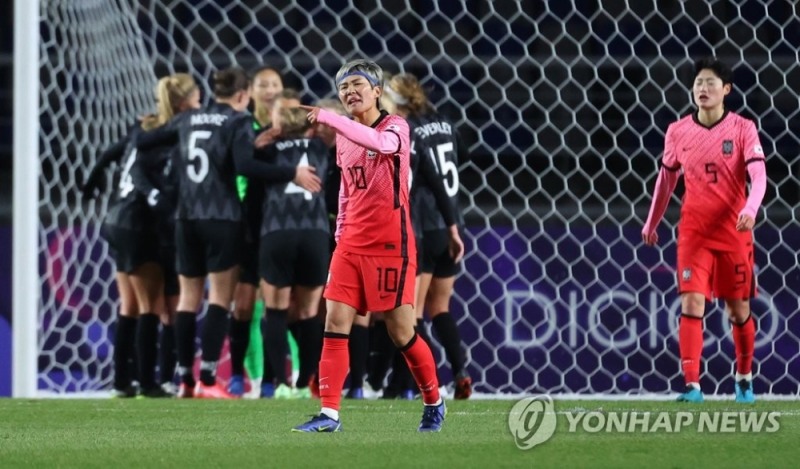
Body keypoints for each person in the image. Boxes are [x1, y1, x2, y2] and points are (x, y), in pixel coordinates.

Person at [136, 67, 321, 399]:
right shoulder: (236, 121)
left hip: (185, 218)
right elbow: (246, 168)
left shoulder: (188, 118)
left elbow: (143, 142)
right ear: (241, 95)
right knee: (222, 299)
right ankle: (208, 378)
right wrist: (290, 171)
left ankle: (185, 380)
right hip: (222, 218)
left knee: (188, 300)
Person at [292, 59, 445, 433]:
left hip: (392, 244)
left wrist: (330, 119)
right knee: (335, 322)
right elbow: (346, 193)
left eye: (358, 84)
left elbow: (378, 143)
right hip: (351, 244)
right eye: (344, 88)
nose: (349, 92)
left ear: (378, 91)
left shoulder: (396, 127)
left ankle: (434, 401)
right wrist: (340, 235)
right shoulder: (345, 138)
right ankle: (329, 414)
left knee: (401, 332)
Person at [642, 57, 767, 404]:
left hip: (733, 231)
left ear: (726, 90)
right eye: (698, 83)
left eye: (711, 83)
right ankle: (693, 386)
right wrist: (652, 222)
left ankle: (743, 378)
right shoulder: (678, 131)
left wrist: (750, 208)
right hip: (694, 232)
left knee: (737, 310)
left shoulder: (743, 128)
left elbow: (759, 176)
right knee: (692, 300)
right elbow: (666, 180)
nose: (703, 88)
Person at [81, 73, 200, 397]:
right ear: (184, 103)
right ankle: (148, 382)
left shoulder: (143, 127)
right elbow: (144, 174)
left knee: (130, 305)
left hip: (118, 219)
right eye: (196, 99)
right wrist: (160, 200)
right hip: (138, 222)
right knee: (152, 305)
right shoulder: (172, 134)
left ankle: (122, 381)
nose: (200, 106)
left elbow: (110, 153)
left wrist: (90, 183)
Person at [256, 106, 330, 399]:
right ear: (310, 128)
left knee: (275, 311)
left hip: (277, 232)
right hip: (315, 233)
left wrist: (261, 141)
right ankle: (305, 385)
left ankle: (280, 384)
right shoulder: (323, 148)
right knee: (310, 313)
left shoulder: (269, 151)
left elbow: (247, 165)